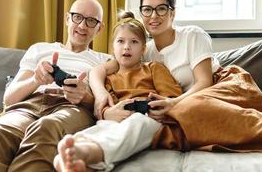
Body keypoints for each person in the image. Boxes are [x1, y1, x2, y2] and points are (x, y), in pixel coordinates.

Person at [90, 0, 262, 153]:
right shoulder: (143, 50)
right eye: (147, 9)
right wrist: (100, 96)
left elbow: (205, 81)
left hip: (224, 87)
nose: (154, 16)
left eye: (161, 8)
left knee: (188, 108)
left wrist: (173, 104)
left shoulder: (192, 35)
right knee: (178, 114)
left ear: (173, 13)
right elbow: (99, 70)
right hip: (191, 104)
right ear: (142, 14)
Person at [53, 11, 182, 172]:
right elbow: (104, 106)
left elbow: (171, 98)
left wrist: (156, 107)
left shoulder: (153, 68)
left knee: (136, 124)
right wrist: (108, 113)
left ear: (143, 49)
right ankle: (76, 156)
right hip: (115, 120)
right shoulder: (108, 77)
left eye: (134, 42)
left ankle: (85, 154)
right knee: (100, 128)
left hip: (146, 118)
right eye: (121, 41)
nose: (126, 46)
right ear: (113, 48)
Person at [0, 0, 112, 172]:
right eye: (77, 17)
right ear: (67, 18)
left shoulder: (105, 61)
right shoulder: (39, 49)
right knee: (0, 131)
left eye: (91, 21)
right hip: (29, 105)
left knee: (46, 128)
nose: (82, 26)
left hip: (71, 108)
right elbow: (9, 99)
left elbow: (104, 106)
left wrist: (85, 97)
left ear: (99, 28)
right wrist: (36, 80)